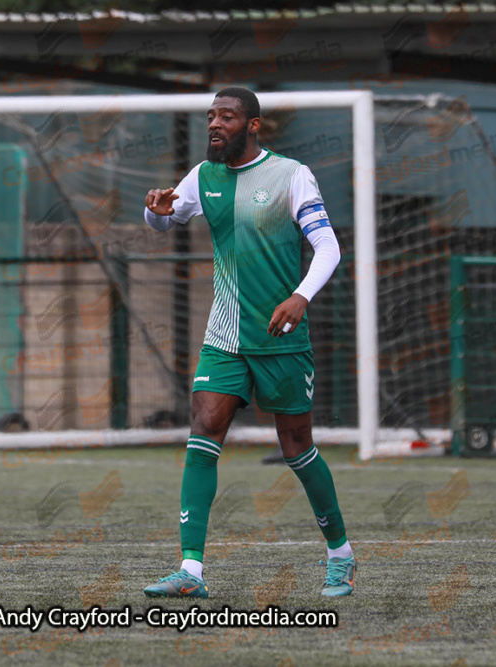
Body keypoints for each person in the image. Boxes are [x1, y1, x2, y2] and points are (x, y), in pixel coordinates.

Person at [141, 87, 356, 598]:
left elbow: (327, 246)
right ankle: (190, 571)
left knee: (296, 447)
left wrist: (301, 297)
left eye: (228, 116)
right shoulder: (203, 175)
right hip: (224, 335)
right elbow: (164, 220)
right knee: (204, 428)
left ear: (253, 125)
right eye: (211, 116)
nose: (215, 124)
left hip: (280, 337)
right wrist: (155, 210)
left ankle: (341, 556)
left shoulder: (290, 175)